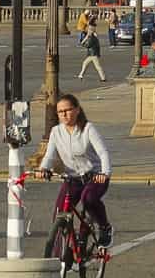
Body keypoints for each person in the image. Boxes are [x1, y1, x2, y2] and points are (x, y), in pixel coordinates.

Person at [38, 92, 114, 248]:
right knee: (60, 211)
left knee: (89, 199)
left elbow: (103, 152)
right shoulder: (56, 131)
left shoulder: (87, 128)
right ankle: (57, 256)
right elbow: (49, 155)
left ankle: (105, 227)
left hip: (94, 176)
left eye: (68, 110)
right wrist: (43, 169)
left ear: (77, 110)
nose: (64, 115)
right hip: (72, 178)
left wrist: (104, 173)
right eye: (60, 112)